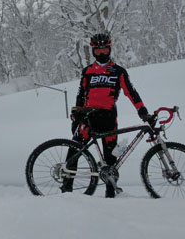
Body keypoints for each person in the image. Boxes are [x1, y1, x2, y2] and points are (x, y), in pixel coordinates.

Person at [62, 33, 152, 198]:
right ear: (93, 52)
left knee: (110, 161)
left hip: (109, 119)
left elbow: (131, 92)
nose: (102, 53)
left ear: (109, 49)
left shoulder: (118, 71)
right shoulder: (87, 71)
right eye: (98, 51)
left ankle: (110, 194)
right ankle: (66, 191)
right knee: (73, 153)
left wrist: (142, 110)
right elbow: (80, 95)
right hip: (88, 119)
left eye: (105, 50)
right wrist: (76, 115)